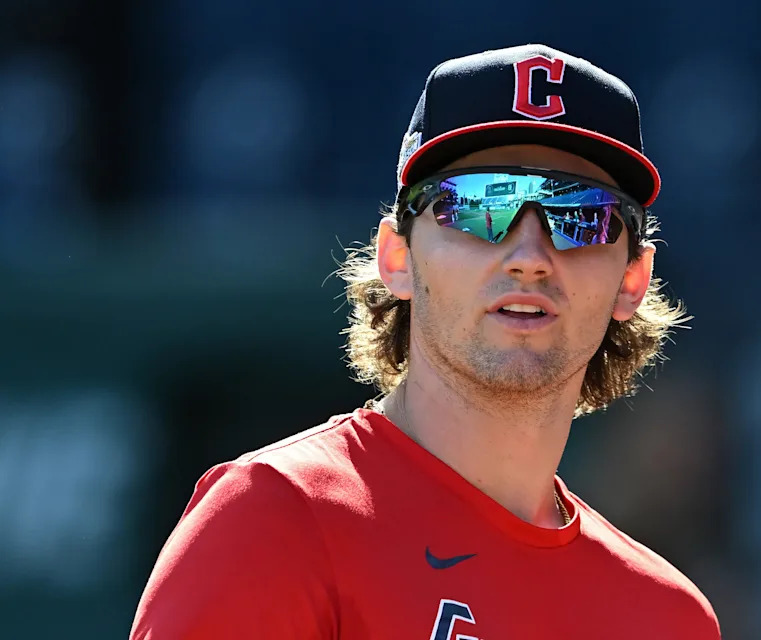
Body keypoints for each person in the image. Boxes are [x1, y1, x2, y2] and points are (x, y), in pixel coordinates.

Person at [130, 43, 720, 639]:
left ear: (632, 281)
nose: (530, 257)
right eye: (478, 205)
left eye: (581, 216)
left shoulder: (669, 619)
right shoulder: (275, 520)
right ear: (397, 256)